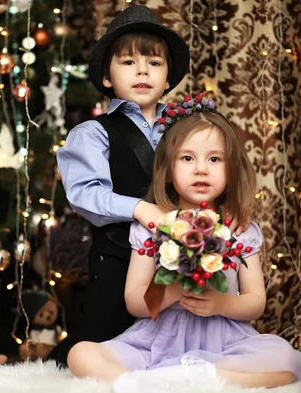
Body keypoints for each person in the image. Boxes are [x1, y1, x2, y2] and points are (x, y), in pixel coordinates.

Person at [66, 97, 301, 392]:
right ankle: (144, 383)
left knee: (285, 361)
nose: (201, 169)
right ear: (169, 171)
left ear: (231, 170)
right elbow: (135, 301)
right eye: (187, 158)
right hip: (157, 340)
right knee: (79, 355)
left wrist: (222, 303)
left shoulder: (239, 229)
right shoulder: (152, 228)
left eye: (214, 159)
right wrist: (173, 289)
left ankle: (201, 377)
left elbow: (255, 301)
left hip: (224, 341)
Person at [51, 5, 192, 365]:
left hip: (178, 260)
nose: (142, 70)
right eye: (129, 62)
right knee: (104, 352)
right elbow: (85, 194)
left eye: (154, 63)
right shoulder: (93, 133)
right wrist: (140, 208)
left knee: (180, 353)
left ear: (168, 75)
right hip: (117, 263)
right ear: (108, 76)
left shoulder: (186, 129)